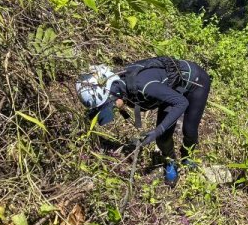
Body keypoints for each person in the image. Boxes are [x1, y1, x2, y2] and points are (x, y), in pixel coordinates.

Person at [75, 56, 211, 185]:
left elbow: (181, 103)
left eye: (110, 105)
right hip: (171, 88)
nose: (113, 109)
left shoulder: (142, 85)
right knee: (163, 139)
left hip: (196, 83)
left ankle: (187, 157)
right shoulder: (120, 83)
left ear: (113, 94)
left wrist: (157, 131)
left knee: (189, 129)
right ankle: (171, 162)